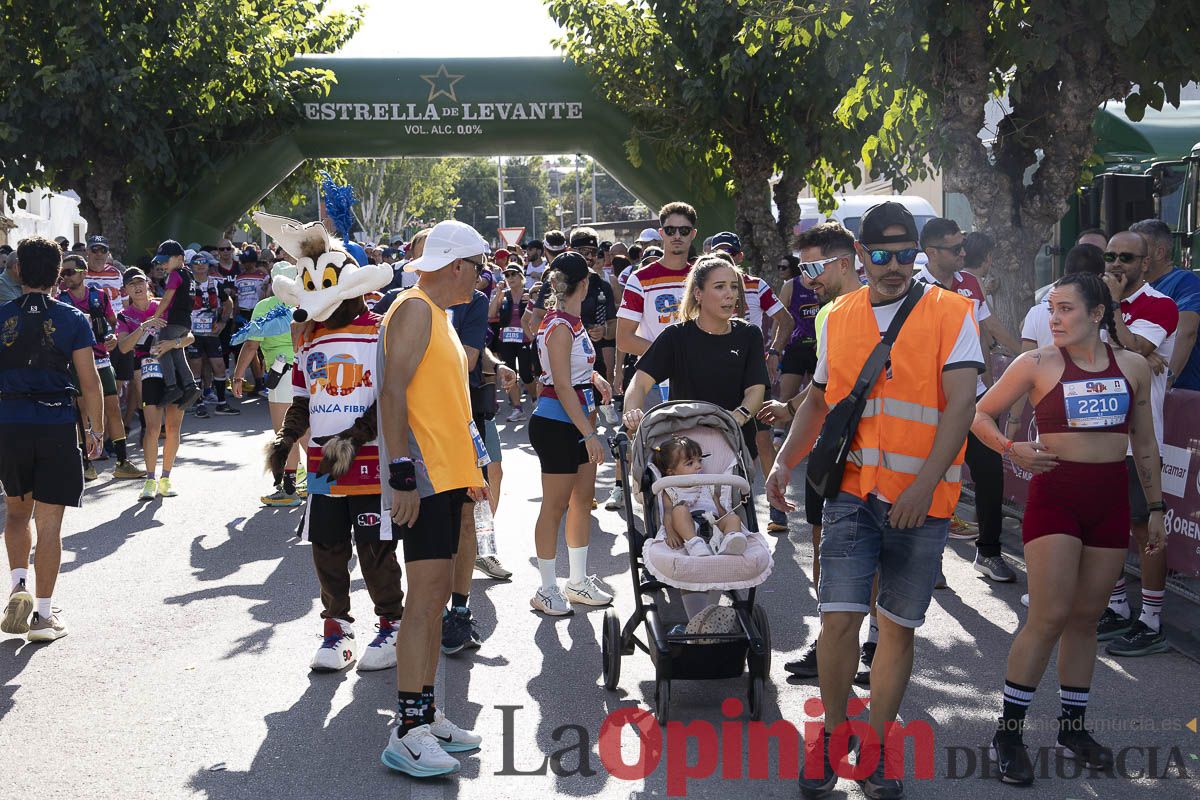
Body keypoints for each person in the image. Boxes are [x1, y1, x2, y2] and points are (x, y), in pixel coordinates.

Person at [765, 202, 982, 798]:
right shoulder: (835, 316)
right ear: (861, 254)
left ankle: (878, 746)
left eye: (904, 254)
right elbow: (819, 398)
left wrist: (922, 486)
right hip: (853, 493)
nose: (893, 266)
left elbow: (961, 406)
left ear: (918, 254)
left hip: (922, 502)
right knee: (838, 620)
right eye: (881, 254)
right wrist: (784, 461)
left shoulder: (951, 311)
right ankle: (833, 738)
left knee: (897, 629)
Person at [971, 272, 1163, 785]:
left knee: (1085, 618)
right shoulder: (1036, 363)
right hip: (1056, 497)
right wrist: (1012, 449)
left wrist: (1156, 508)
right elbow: (980, 415)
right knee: (1049, 615)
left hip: (1110, 500)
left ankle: (1072, 730)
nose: (1053, 319)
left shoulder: (1133, 366)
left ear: (1098, 314)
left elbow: (1144, 443)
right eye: (1051, 309)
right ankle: (1008, 734)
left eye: (1066, 309)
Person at [377, 219, 487, 777]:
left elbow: (447, 402)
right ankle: (407, 731)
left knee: (436, 594)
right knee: (423, 601)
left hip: (446, 474)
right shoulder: (415, 308)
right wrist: (401, 473)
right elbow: (391, 390)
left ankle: (425, 712)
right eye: (478, 268)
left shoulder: (437, 313)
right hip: (420, 475)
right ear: (456, 265)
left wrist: (471, 467)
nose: (481, 279)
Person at [757, 223, 872, 682]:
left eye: (812, 268)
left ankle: (873, 645)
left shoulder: (879, 308)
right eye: (802, 269)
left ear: (844, 262)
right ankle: (830, 645)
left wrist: (790, 410)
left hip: (876, 452)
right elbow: (825, 388)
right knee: (825, 544)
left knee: (871, 554)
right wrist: (788, 436)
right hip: (833, 448)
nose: (806, 279)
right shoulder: (828, 314)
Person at [0, 237, 104, 642]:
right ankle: (43, 616)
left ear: (19, 271)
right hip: (55, 423)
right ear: (58, 274)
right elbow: (90, 382)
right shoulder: (73, 318)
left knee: (15, 514)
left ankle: (18, 585)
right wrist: (95, 430)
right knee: (49, 524)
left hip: (9, 422)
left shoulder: (2, 316)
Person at [917, 217, 1021, 582]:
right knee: (934, 476)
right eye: (955, 248)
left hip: (973, 397)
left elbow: (988, 327)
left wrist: (1026, 354)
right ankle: (931, 560)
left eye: (963, 246)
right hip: (929, 400)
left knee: (990, 473)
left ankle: (989, 553)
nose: (964, 253)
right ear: (931, 252)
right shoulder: (914, 288)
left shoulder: (970, 282)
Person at [1097, 230, 1178, 657]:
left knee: (1146, 528)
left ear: (1145, 264)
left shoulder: (1159, 304)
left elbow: (1133, 346)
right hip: (1097, 435)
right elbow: (1079, 350)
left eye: (1126, 257)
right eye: (1110, 256)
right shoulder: (1095, 302)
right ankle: (1116, 607)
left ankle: (1151, 621)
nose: (1115, 264)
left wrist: (1116, 316)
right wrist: (1134, 352)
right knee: (1106, 526)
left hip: (1139, 439)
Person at [527, 252, 614, 616]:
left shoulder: (572, 323)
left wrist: (595, 377)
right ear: (585, 284)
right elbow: (561, 385)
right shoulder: (560, 325)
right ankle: (546, 588)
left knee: (582, 501)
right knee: (555, 506)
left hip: (578, 421)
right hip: (557, 425)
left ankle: (576, 581)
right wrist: (589, 434)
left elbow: (571, 372)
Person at [623, 255, 770, 458]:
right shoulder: (675, 336)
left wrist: (738, 416)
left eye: (734, 287)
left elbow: (756, 389)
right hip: (685, 455)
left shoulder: (750, 334)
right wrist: (632, 412)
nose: (729, 294)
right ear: (698, 293)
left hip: (735, 449)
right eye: (720, 287)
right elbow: (639, 383)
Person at [609, 201, 698, 511]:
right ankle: (645, 509)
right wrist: (669, 357)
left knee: (694, 454)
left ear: (693, 234)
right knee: (650, 451)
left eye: (684, 230)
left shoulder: (702, 276)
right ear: (661, 233)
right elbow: (624, 338)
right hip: (652, 380)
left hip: (696, 380)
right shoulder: (640, 278)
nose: (677, 236)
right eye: (671, 230)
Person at [710, 230, 794, 532]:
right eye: (718, 254)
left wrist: (774, 352)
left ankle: (777, 506)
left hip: (752, 376)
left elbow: (786, 320)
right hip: (717, 376)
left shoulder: (756, 285)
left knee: (762, 440)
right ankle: (723, 509)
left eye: (730, 254)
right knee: (717, 442)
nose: (725, 259)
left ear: (740, 257)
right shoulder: (704, 287)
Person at [57, 254, 145, 480]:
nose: (66, 277)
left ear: (84, 272)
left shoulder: (99, 296)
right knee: (82, 411)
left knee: (112, 407)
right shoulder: (60, 300)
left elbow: (113, 325)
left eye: (70, 272)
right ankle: (85, 463)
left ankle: (123, 462)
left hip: (101, 359)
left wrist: (113, 337)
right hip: (75, 362)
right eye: (63, 273)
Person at [232, 262, 306, 506]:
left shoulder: (265, 306)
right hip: (309, 373)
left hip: (283, 375)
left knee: (286, 435)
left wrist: (238, 376)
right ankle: (324, 485)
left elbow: (251, 344)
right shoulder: (308, 303)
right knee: (309, 434)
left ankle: (289, 490)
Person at [116, 270, 190, 501]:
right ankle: (150, 480)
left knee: (173, 428)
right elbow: (123, 347)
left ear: (147, 284)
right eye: (131, 284)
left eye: (140, 282)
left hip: (174, 367)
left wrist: (173, 343)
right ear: (125, 290)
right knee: (152, 428)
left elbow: (190, 337)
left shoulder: (164, 305)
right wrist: (144, 326)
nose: (137, 287)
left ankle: (166, 478)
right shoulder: (124, 315)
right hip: (148, 370)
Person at [1130, 218, 1200, 390]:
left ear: (1159, 252)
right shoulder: (1133, 288)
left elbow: (1186, 332)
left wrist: (1169, 379)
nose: (1130, 255)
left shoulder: (1185, 282)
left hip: (1182, 391)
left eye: (1139, 248)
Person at [653, 435, 747, 557]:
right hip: (689, 528)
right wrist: (670, 532)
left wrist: (727, 522)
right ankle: (694, 544)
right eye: (690, 463)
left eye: (699, 460)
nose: (698, 465)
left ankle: (729, 543)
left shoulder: (707, 484)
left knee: (733, 518)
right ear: (671, 472)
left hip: (713, 525)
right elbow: (667, 514)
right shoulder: (670, 489)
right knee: (679, 510)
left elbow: (720, 510)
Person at [146, 240, 200, 407]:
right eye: (160, 262)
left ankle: (171, 386)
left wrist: (154, 317)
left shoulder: (175, 275)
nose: (162, 265)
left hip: (173, 320)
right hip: (185, 321)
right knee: (177, 352)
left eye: (165, 261)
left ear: (179, 258)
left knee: (160, 348)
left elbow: (167, 299)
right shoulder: (189, 274)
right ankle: (190, 385)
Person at [186, 253, 238, 418]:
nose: (201, 266)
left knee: (219, 366)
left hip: (211, 333)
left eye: (204, 263)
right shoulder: (187, 285)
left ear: (209, 266)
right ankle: (199, 403)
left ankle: (221, 404)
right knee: (196, 368)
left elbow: (228, 302)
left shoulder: (215, 283)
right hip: (193, 334)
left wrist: (223, 322)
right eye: (197, 263)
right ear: (191, 266)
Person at [490, 264, 536, 421]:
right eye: (507, 275)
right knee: (509, 374)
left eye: (513, 274)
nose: (510, 278)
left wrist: (532, 301)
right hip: (506, 340)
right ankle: (517, 408)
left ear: (521, 277)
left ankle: (535, 398)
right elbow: (491, 314)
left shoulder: (529, 293)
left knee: (526, 373)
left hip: (524, 339)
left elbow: (541, 314)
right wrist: (498, 294)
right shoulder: (503, 294)